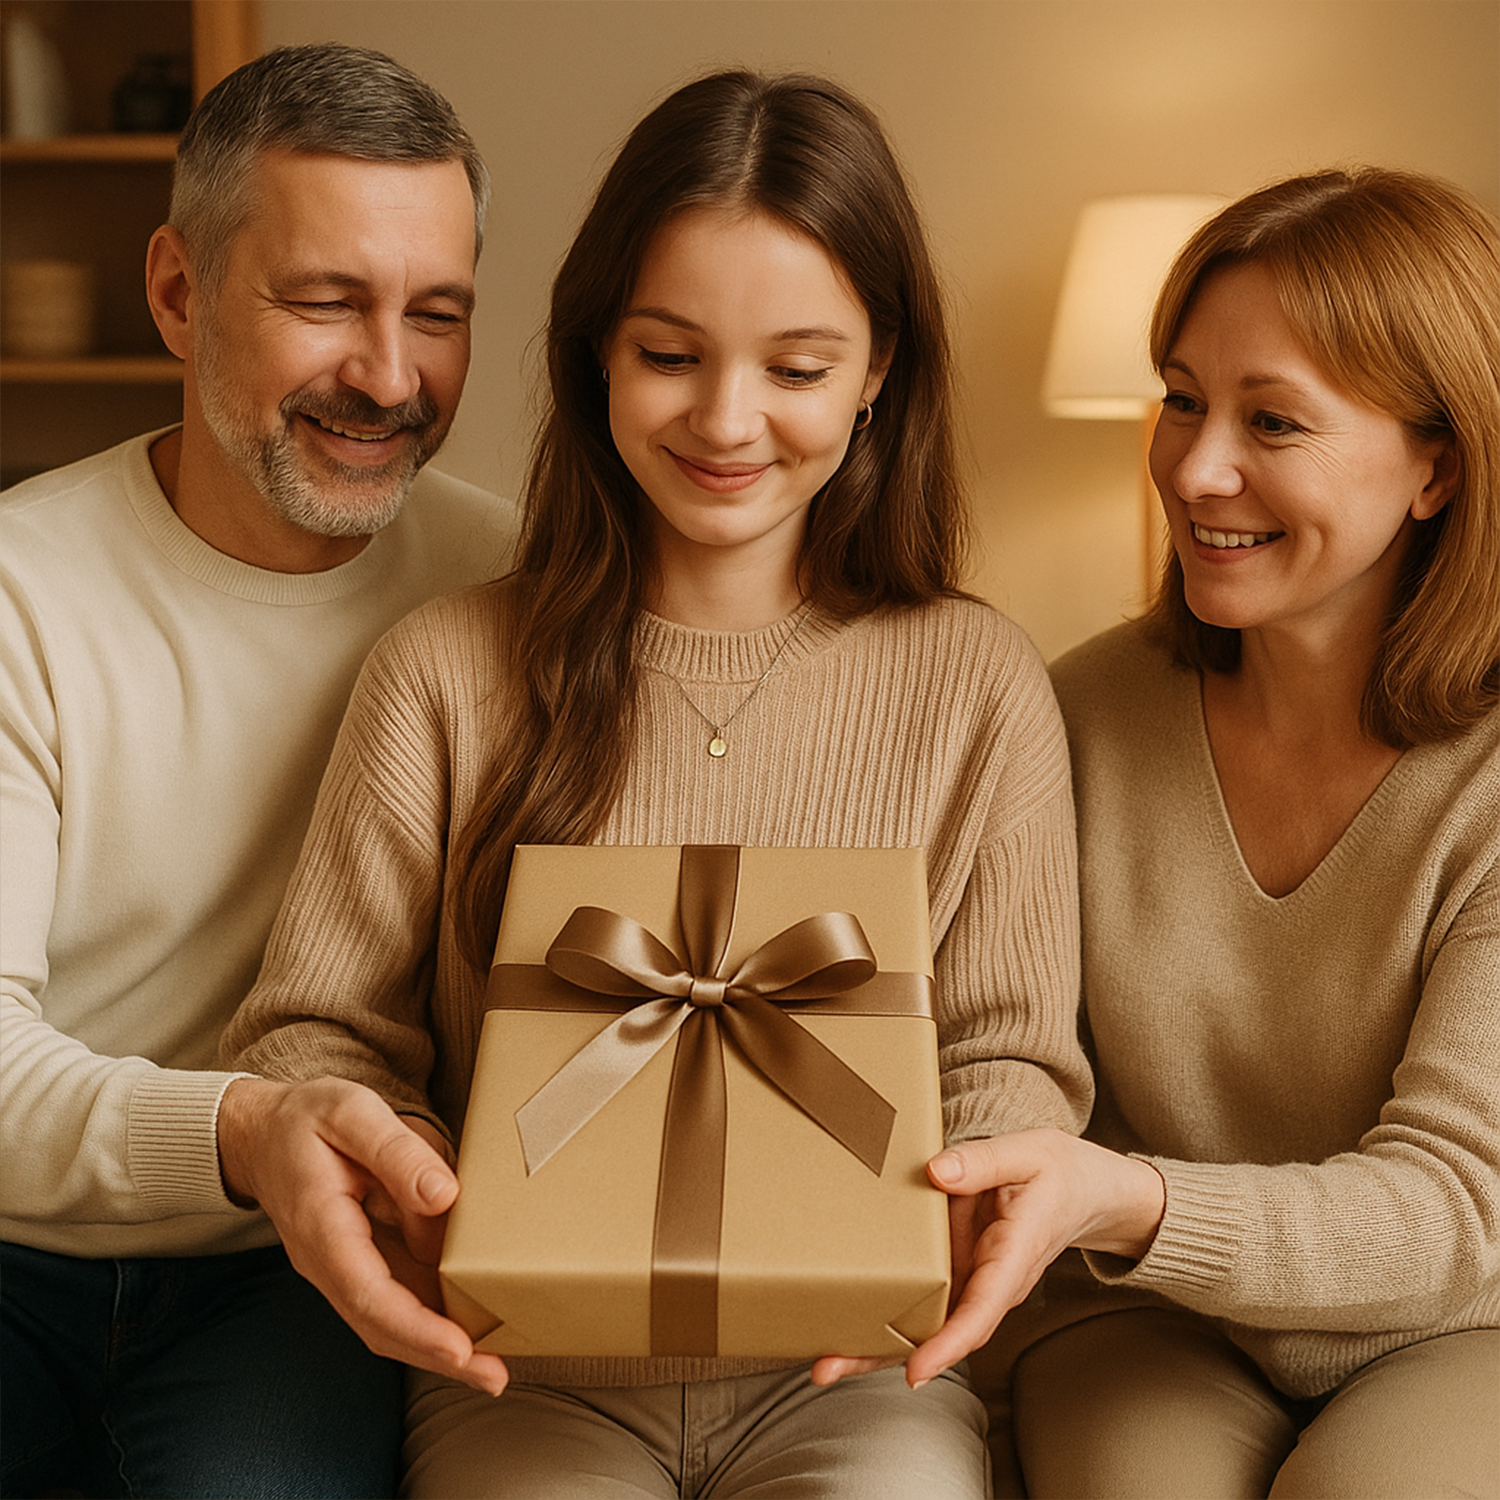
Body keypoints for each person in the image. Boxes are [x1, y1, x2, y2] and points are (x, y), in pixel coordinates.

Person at [218, 68, 1091, 1498]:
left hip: (856, 1382)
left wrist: (924, 1222)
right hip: (524, 1379)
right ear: (593, 357)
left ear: (881, 373)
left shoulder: (975, 682)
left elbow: (1012, 1058)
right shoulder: (443, 669)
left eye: (798, 368)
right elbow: (317, 1035)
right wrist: (426, 1183)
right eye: (669, 354)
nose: (728, 420)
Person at [929, 168, 1500, 1497]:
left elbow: (1454, 1211)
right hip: (1145, 1315)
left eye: (1274, 421)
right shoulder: (1062, 715)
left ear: (1438, 466)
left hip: (1458, 1320)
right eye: (1182, 396)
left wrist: (1130, 1201)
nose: (1194, 467)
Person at [0, 42, 514, 1500]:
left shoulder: (519, 584)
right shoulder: (20, 593)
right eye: (323, 301)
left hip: (295, 1276)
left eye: (438, 314)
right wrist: (244, 1125)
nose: (389, 376)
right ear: (177, 290)